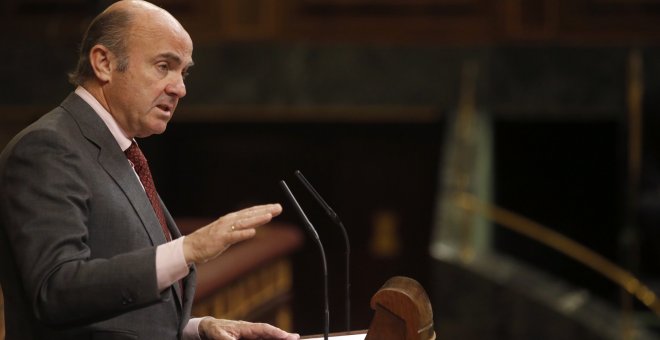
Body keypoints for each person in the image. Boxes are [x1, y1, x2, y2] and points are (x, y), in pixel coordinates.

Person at [0, 1, 300, 339]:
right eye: (163, 66)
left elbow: (110, 313)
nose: (180, 88)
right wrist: (189, 249)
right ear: (104, 63)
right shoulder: (48, 147)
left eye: (183, 72)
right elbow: (56, 290)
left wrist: (197, 329)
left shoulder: (121, 149)